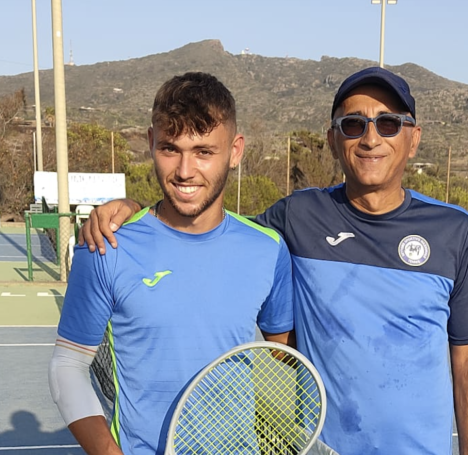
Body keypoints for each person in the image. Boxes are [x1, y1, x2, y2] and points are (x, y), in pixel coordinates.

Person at [82, 67, 468, 455]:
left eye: (388, 123)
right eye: (353, 125)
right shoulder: (299, 216)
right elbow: (207, 223)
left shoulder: (453, 229)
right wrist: (136, 211)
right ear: (333, 140)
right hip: (323, 447)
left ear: (414, 138)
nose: (371, 138)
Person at [49, 72, 294, 455]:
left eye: (204, 152)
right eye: (170, 148)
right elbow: (67, 366)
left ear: (235, 150)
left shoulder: (268, 248)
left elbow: (284, 351)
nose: (184, 170)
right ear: (150, 142)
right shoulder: (106, 244)